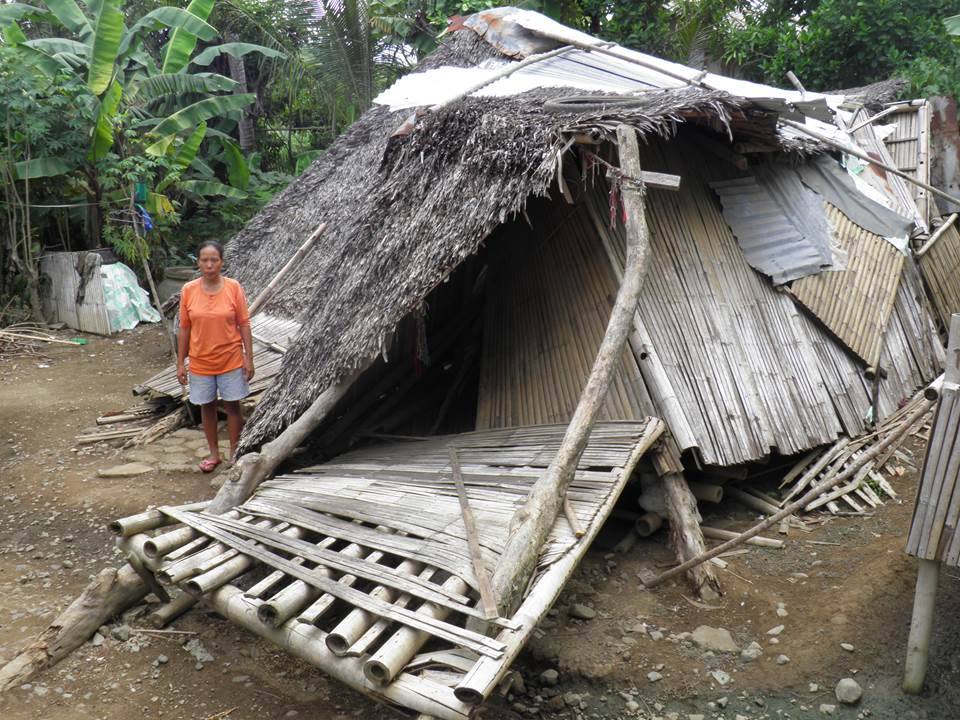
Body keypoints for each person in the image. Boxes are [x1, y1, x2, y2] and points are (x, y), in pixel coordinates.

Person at [176, 240, 254, 472]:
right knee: (206, 407)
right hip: (200, 361)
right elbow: (185, 327)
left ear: (221, 262)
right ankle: (213, 454)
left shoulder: (233, 287)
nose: (209, 264)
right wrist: (181, 362)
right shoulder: (188, 290)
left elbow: (244, 323)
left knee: (233, 407)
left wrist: (248, 357)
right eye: (204, 260)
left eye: (214, 260)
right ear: (198, 262)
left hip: (231, 358)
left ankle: (235, 451)